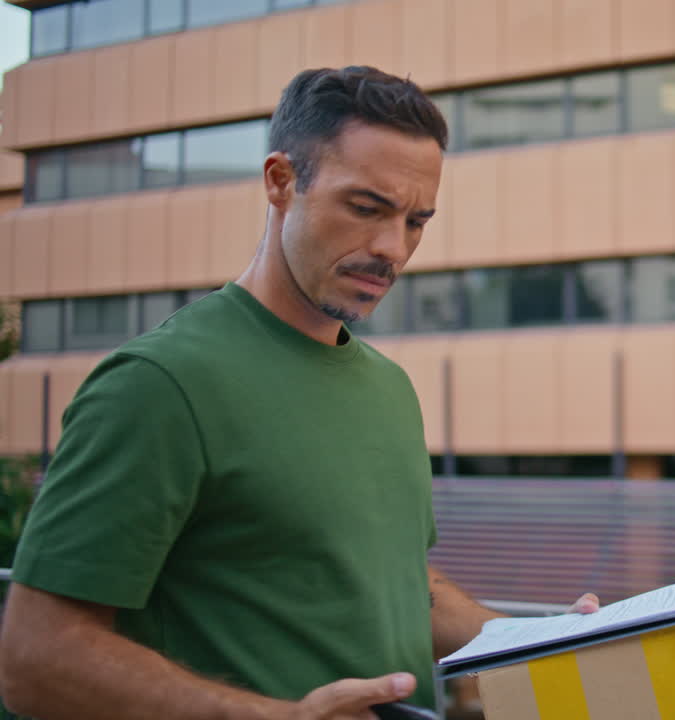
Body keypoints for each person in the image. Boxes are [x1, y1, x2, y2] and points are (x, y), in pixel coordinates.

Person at [0, 66, 597, 719]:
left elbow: (398, 585)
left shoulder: (389, 388)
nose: (391, 248)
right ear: (280, 181)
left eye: (416, 221)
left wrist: (533, 641)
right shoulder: (160, 384)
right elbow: (35, 657)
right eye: (366, 208)